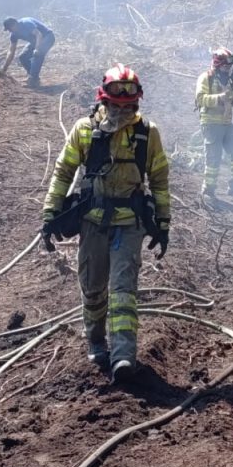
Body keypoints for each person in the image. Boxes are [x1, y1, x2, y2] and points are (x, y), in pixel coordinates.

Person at [40, 64, 171, 383]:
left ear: (137, 103)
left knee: (123, 289)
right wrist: (49, 214)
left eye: (129, 105)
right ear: (104, 100)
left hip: (130, 224)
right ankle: (97, 343)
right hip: (92, 222)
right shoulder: (84, 130)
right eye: (116, 104)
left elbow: (159, 179)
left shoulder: (147, 134)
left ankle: (124, 355)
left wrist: (163, 223)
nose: (122, 110)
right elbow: (63, 172)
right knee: (93, 288)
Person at [195, 47, 233, 198]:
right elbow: (200, 99)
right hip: (211, 124)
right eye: (226, 66)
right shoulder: (205, 78)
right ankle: (208, 191)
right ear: (217, 65)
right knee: (214, 157)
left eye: (230, 66)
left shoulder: (230, 80)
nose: (228, 69)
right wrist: (219, 97)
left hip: (226, 124)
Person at [0, 16, 55, 87]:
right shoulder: (14, 35)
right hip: (35, 41)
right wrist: (4, 69)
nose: (10, 31)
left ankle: (33, 79)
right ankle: (34, 77)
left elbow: (39, 34)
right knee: (23, 57)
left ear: (15, 24)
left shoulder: (26, 23)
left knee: (37, 55)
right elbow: (11, 51)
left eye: (10, 28)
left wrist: (37, 49)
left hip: (47, 37)